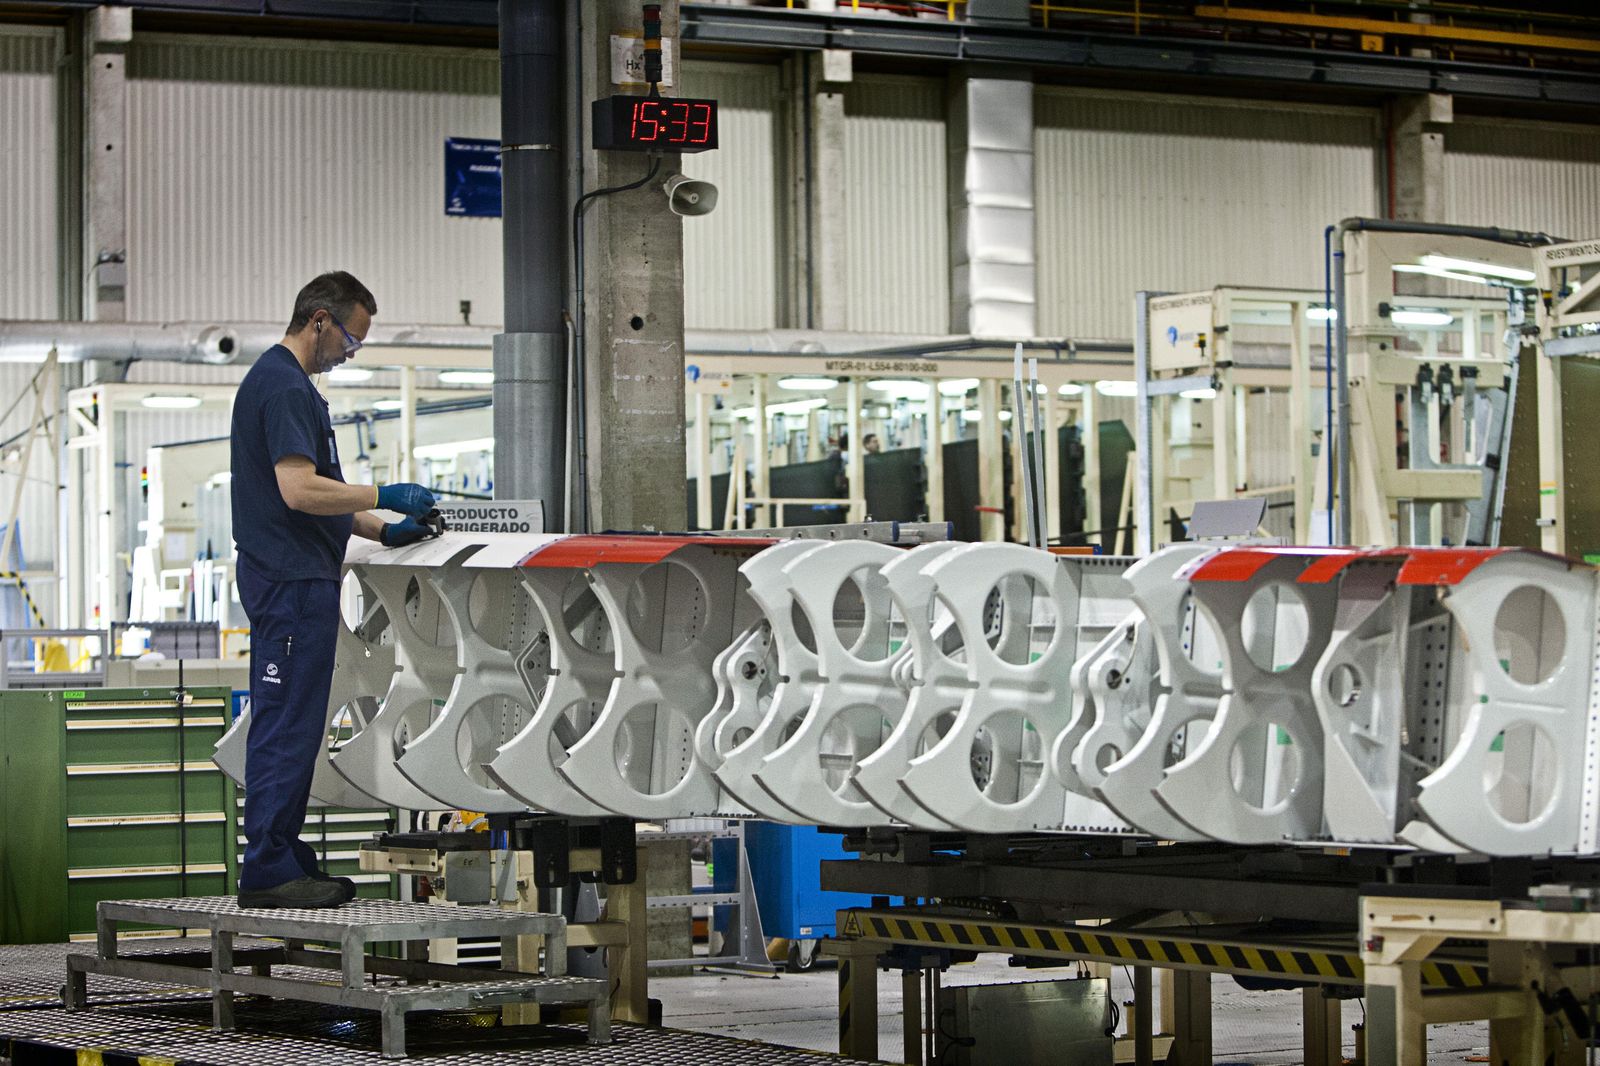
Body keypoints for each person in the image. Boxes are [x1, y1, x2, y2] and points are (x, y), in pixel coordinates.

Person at [229, 271, 438, 909]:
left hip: (300, 579)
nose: (350, 352)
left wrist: (383, 530)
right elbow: (298, 490)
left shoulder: (296, 389)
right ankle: (268, 866)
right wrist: (384, 492)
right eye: (350, 337)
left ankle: (283, 854)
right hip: (289, 583)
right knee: (287, 724)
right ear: (318, 319)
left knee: (295, 721)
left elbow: (322, 499)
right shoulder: (284, 387)